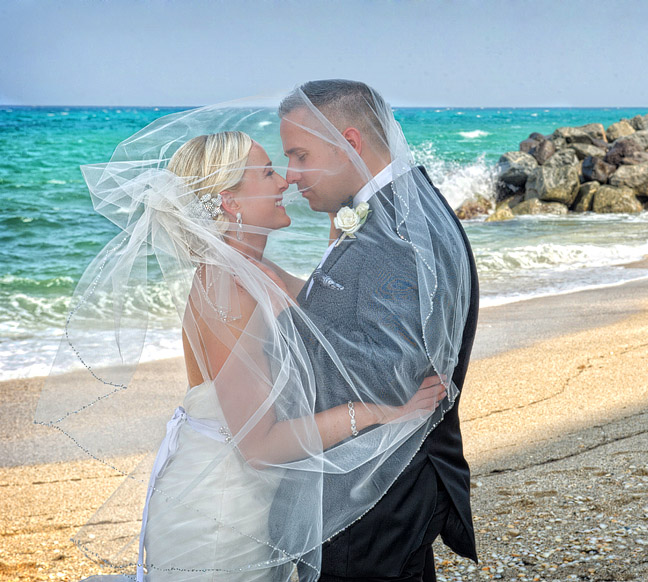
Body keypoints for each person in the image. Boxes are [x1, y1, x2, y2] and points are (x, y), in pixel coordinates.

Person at [37, 96, 459, 582]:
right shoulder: (228, 288)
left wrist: (345, 213)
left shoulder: (253, 273)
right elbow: (259, 445)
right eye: (266, 172)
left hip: (248, 500)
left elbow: (331, 313)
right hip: (221, 515)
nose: (285, 180)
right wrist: (386, 413)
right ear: (229, 200)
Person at [270, 80, 479, 582]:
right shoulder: (398, 211)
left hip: (376, 490)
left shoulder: (396, 235)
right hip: (389, 482)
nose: (291, 175)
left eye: (300, 155)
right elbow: (354, 319)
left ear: (350, 142)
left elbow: (384, 375)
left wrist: (271, 427)